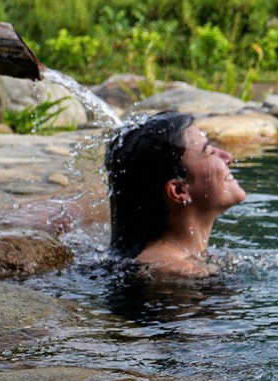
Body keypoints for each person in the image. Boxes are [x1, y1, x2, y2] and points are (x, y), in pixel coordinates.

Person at [104, 111, 246, 277]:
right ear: (179, 191)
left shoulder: (171, 262)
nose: (227, 157)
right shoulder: (173, 271)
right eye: (208, 152)